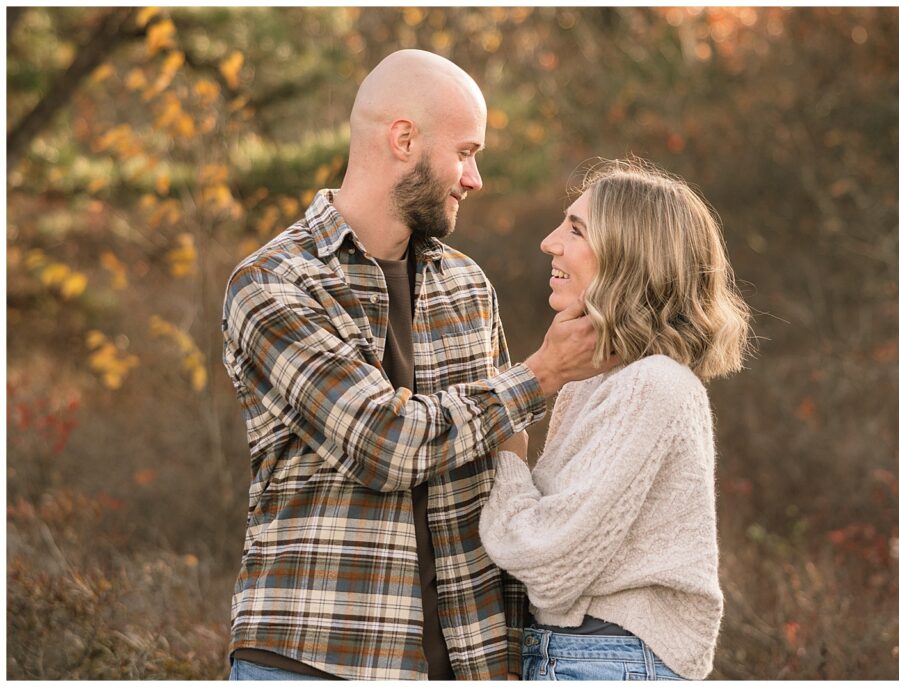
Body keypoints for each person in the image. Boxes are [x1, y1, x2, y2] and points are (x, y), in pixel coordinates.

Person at [221, 49, 615, 681]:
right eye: (465, 152)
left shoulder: (467, 285)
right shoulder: (274, 285)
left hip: (472, 658)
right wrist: (541, 373)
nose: (475, 178)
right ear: (403, 139)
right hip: (316, 656)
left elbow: (505, 457)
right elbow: (383, 443)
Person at [479, 158, 752, 681]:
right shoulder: (597, 384)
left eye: (576, 230)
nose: (549, 242)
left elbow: (550, 565)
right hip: (582, 655)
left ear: (632, 256)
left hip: (609, 661)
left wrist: (508, 452)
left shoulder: (655, 386)